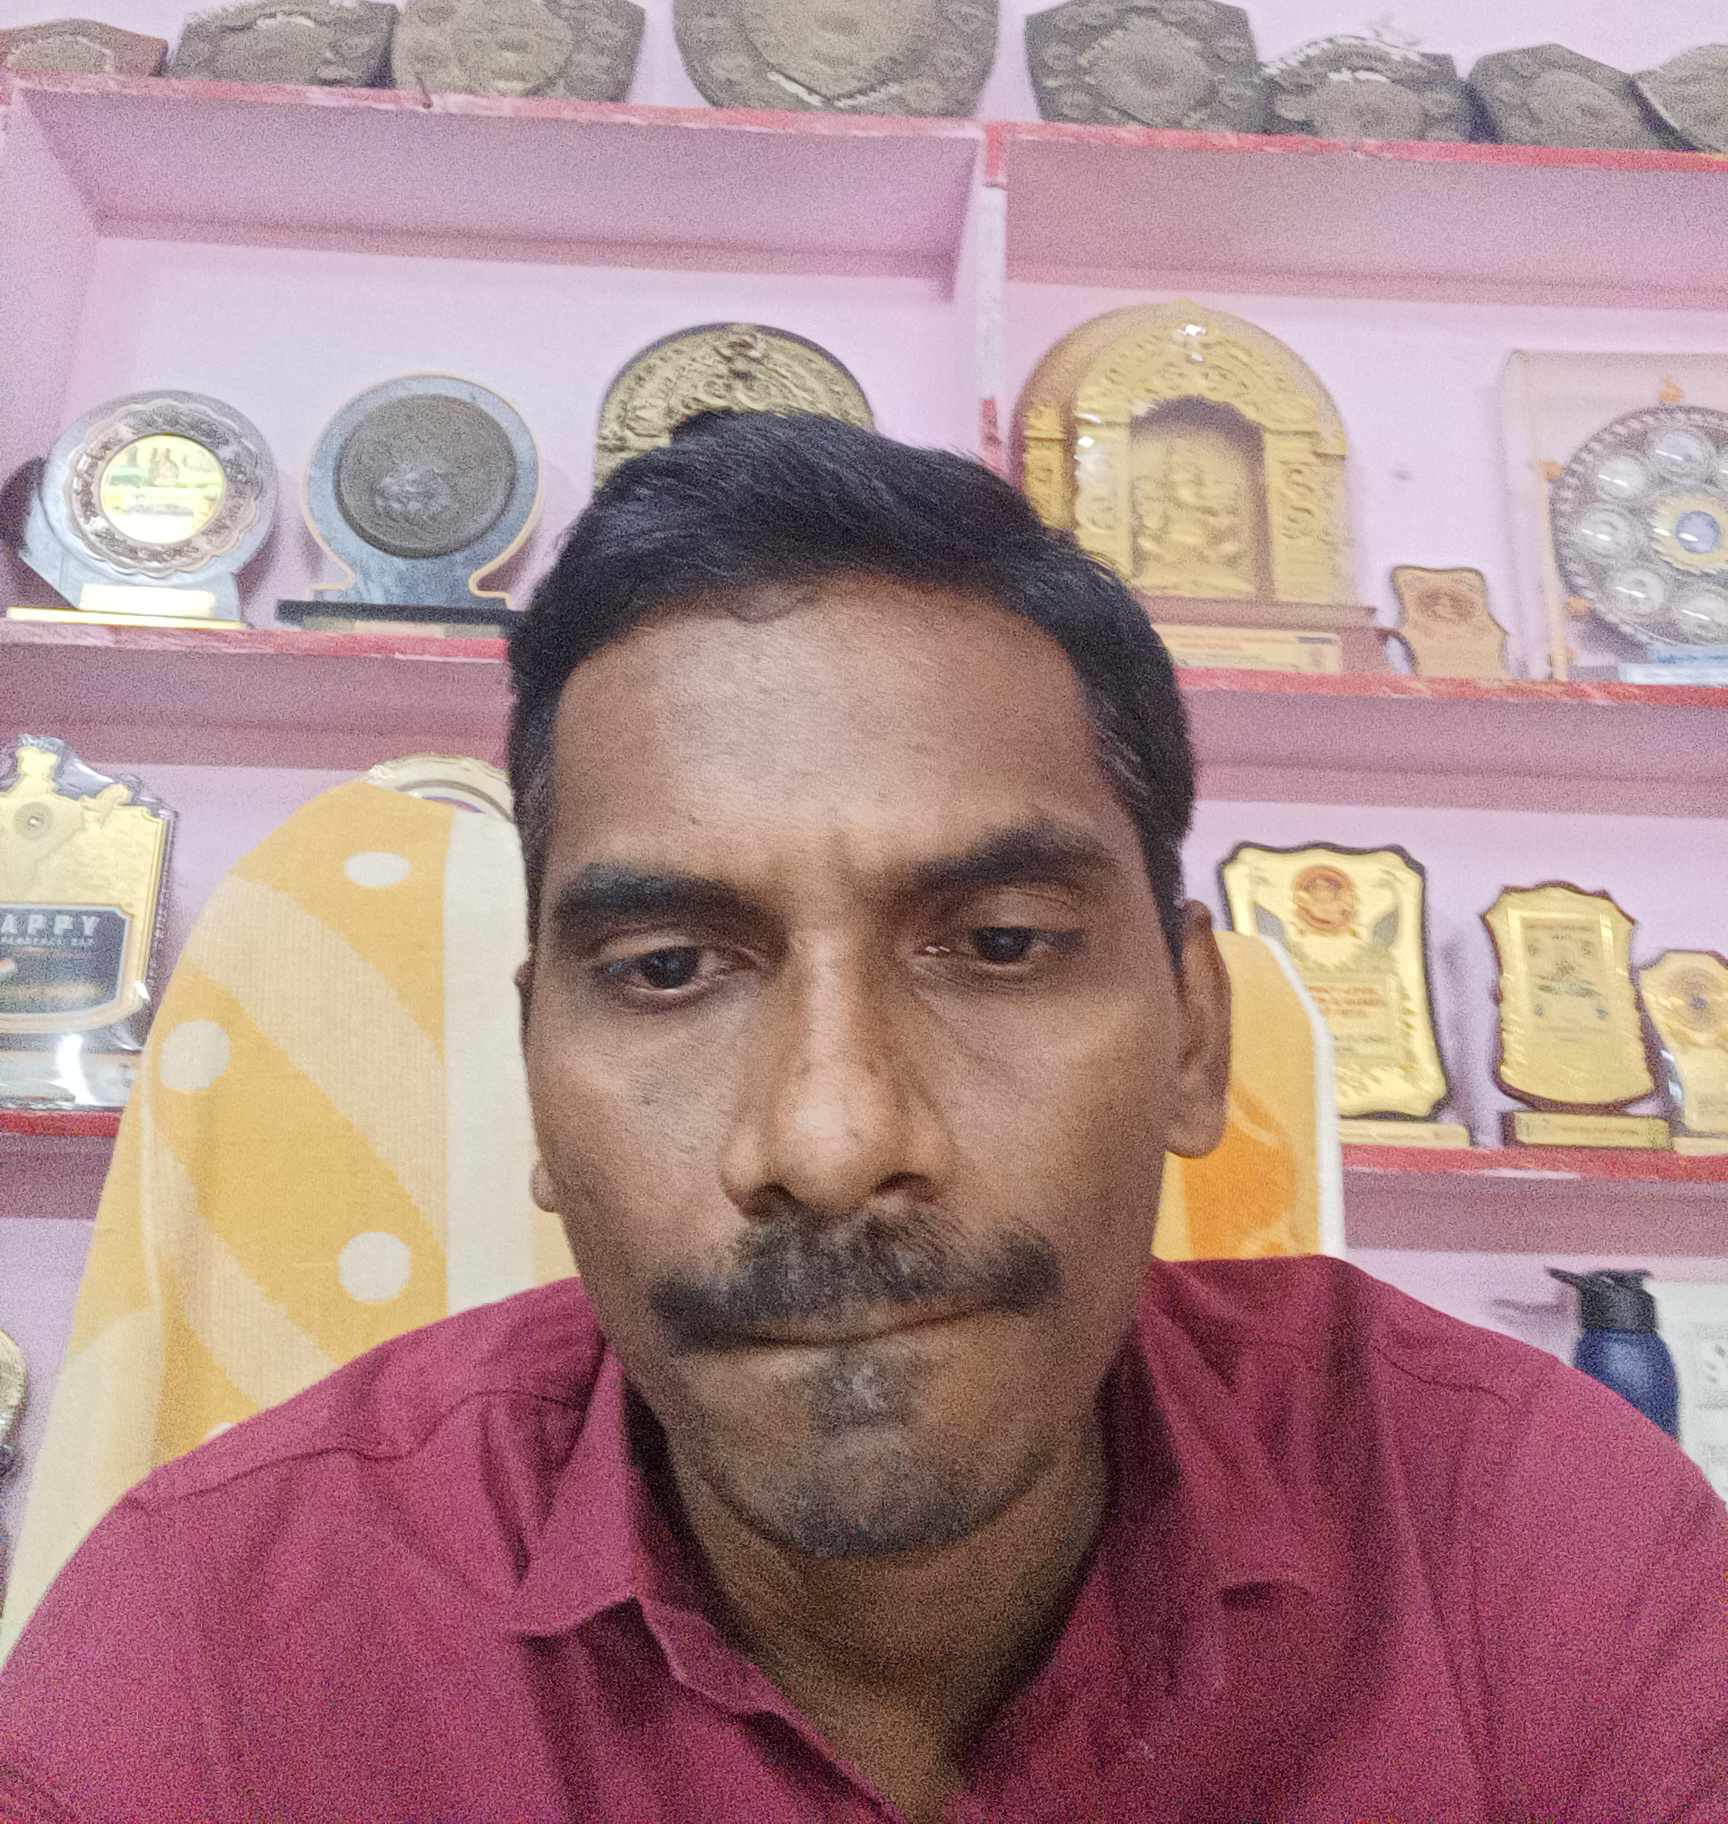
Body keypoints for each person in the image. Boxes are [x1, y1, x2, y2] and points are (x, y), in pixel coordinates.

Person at [2, 412, 1725, 1822]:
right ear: (532, 1068)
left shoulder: (1535, 1548)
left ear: (1196, 1037)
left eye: (999, 946)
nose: (830, 1145)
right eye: (669, 968)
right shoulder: (213, 1658)